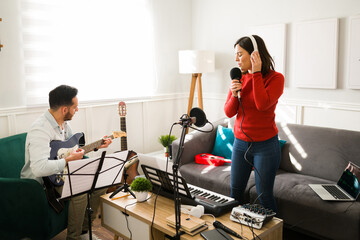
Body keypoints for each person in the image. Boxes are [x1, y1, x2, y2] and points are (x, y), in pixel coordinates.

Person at [21, 85, 112, 240]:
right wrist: (67, 161)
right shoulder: (40, 129)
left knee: (100, 183)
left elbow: (72, 150)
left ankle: (83, 231)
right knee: (80, 190)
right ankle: (73, 237)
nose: (77, 110)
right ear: (64, 109)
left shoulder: (64, 124)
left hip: (60, 173)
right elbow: (39, 168)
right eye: (75, 107)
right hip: (41, 183)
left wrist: (97, 146)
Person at [224, 35, 284, 212]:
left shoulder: (276, 79)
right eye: (235, 54)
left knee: (264, 196)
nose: (236, 59)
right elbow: (228, 112)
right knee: (235, 192)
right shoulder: (238, 78)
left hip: (266, 147)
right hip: (240, 145)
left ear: (254, 55)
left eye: (240, 54)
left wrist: (256, 73)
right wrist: (234, 95)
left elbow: (262, 105)